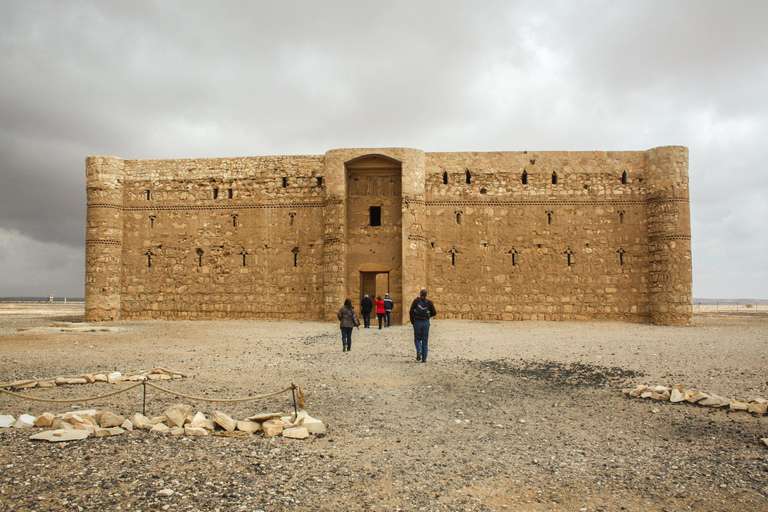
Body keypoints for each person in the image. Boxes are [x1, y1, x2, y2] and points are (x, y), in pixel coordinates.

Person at [409, 289, 437, 362]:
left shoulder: (416, 301)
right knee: (425, 340)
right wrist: (427, 316)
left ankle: (419, 350)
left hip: (417, 322)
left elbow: (411, 312)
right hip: (425, 322)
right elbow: (434, 313)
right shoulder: (429, 303)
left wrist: (413, 322)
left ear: (420, 294)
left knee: (417, 339)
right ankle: (424, 358)